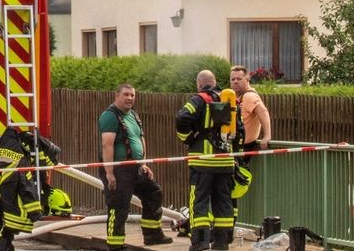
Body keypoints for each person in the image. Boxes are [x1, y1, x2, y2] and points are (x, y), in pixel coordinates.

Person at [98, 83, 172, 249]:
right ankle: (115, 245)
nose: (130, 98)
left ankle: (152, 235)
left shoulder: (133, 115)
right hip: (119, 170)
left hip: (136, 168)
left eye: (132, 95)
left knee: (154, 193)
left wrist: (144, 163)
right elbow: (107, 145)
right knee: (119, 206)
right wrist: (109, 172)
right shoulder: (110, 116)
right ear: (116, 96)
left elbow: (140, 139)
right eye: (126, 95)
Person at [175, 70, 236, 251]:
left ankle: (201, 244)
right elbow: (239, 130)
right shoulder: (229, 101)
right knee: (223, 202)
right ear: (215, 82)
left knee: (199, 202)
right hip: (225, 161)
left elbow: (182, 118)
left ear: (199, 84)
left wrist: (189, 137)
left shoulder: (199, 100)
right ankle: (222, 243)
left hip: (202, 162)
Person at [0, 127, 61, 251]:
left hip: (8, 202)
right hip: (16, 207)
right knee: (9, 228)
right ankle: (4, 244)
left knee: (7, 229)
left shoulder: (2, 152)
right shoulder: (19, 158)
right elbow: (26, 187)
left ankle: (4, 244)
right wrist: (35, 212)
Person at [230, 65, 272, 217]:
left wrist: (267, 136)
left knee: (230, 187)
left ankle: (227, 226)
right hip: (236, 148)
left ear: (247, 80)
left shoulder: (249, 96)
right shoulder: (236, 97)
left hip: (243, 149)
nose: (235, 82)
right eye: (233, 79)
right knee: (230, 188)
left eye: (239, 79)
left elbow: (262, 111)